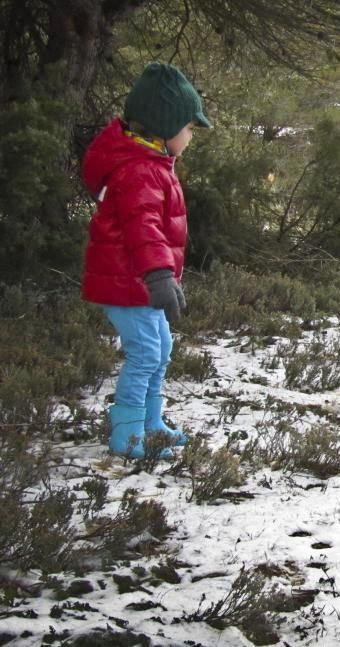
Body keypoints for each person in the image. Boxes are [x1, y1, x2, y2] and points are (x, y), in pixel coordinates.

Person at [81, 62, 212, 459]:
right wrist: (159, 275)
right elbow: (144, 228)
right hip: (126, 283)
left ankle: (151, 421)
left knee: (162, 348)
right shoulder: (140, 170)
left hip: (140, 282)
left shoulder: (154, 166)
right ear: (166, 126)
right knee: (145, 353)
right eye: (189, 128)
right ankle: (128, 433)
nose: (191, 136)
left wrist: (165, 278)